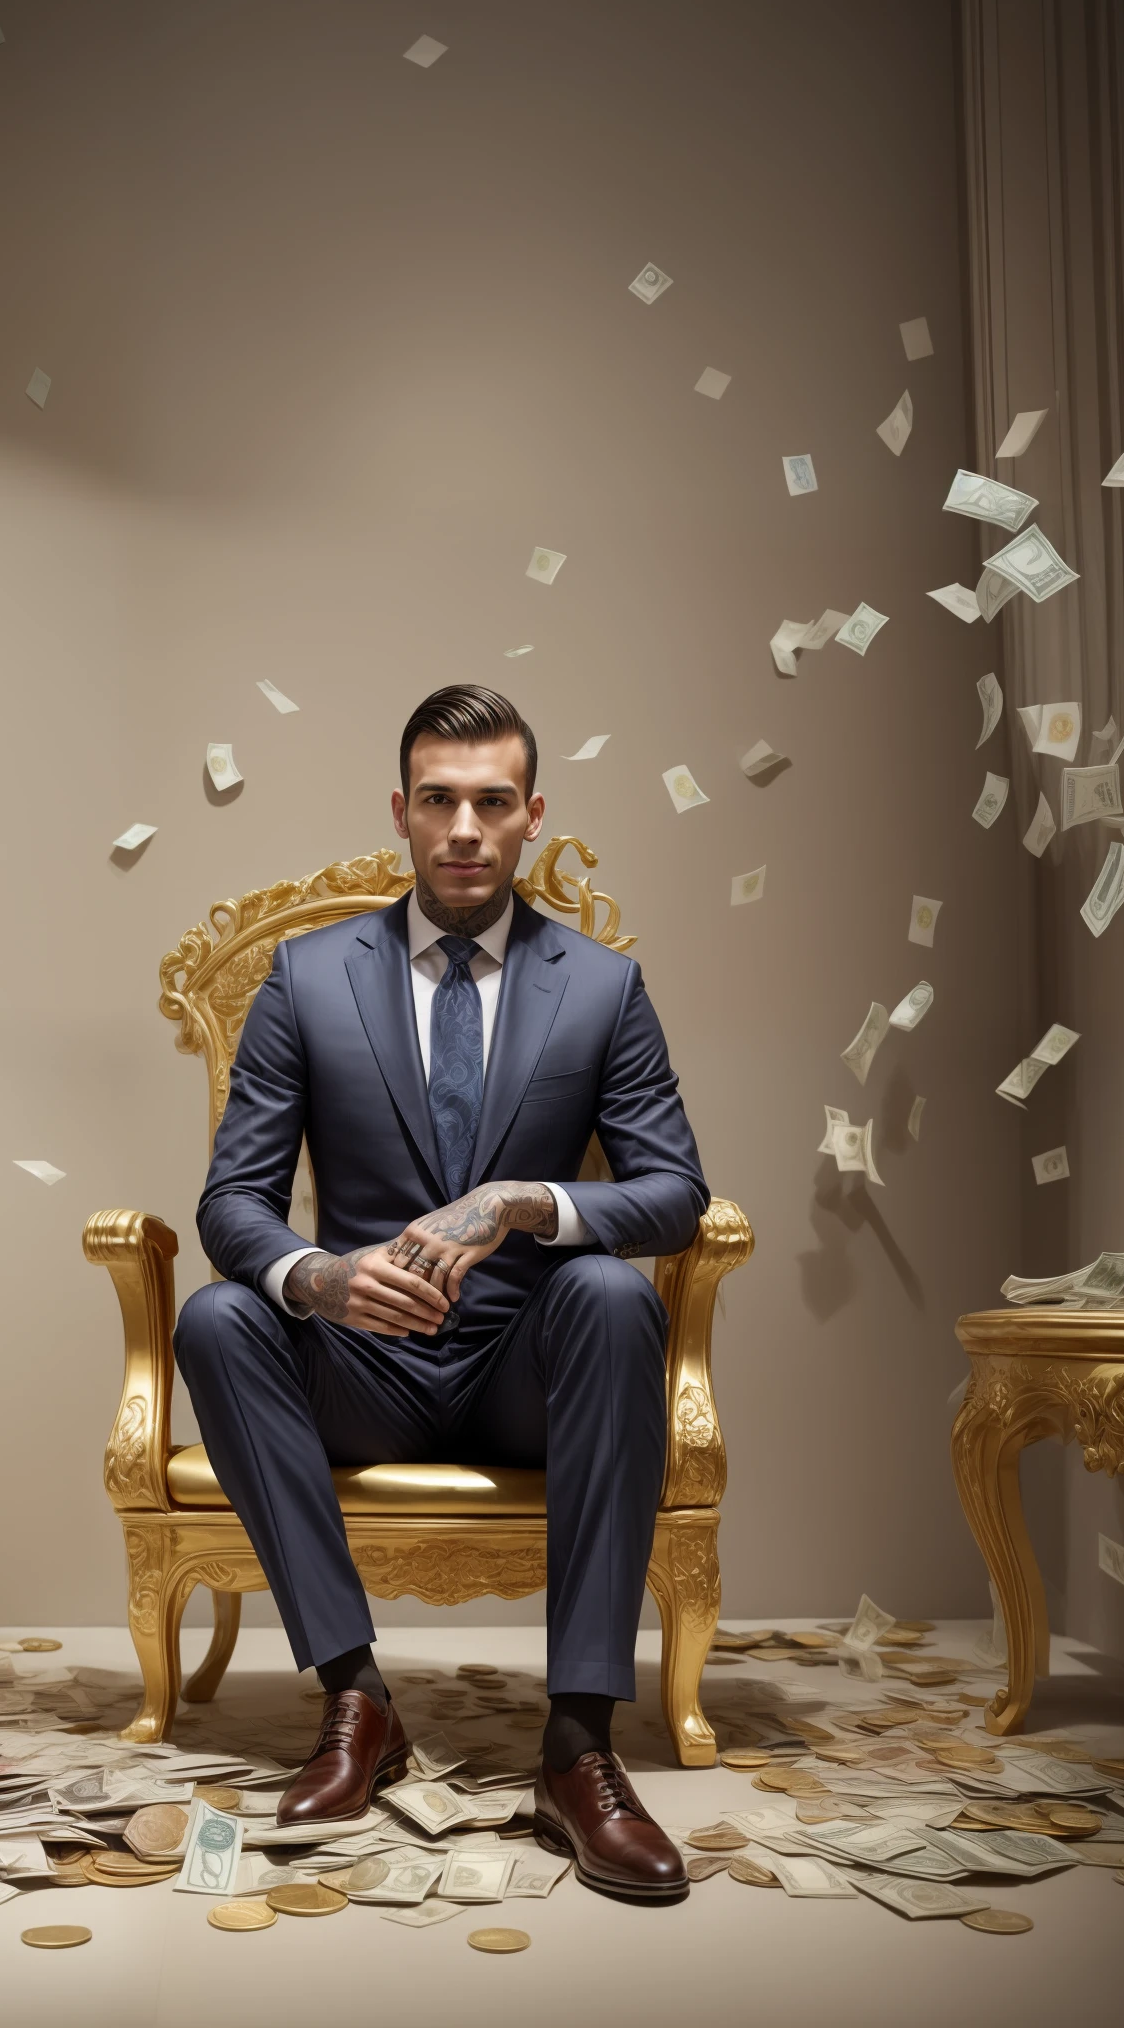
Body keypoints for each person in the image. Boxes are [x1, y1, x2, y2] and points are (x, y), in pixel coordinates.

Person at [174, 683, 707, 1902]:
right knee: (219, 1312)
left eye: (490, 801)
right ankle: (355, 1700)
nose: (463, 827)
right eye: (437, 800)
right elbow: (231, 1202)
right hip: (359, 1369)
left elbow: (673, 1192)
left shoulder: (601, 986)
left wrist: (523, 1201)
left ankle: (577, 1745)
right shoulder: (306, 977)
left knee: (612, 1297)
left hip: (527, 1369)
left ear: (531, 815)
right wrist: (318, 1275)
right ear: (400, 812)